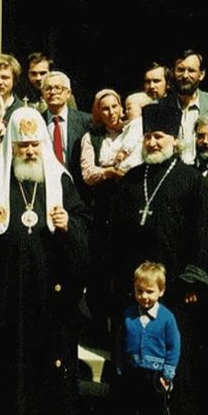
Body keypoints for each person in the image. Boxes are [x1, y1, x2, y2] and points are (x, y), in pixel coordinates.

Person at [0, 107, 91, 415]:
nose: (28, 151)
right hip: (7, 297)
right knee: (7, 366)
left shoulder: (61, 182)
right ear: (11, 146)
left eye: (33, 144)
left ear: (42, 144)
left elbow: (85, 230)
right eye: (22, 145)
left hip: (49, 297)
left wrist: (69, 225)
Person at [108, 101, 208, 415]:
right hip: (135, 293)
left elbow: (203, 237)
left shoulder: (191, 181)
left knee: (173, 369)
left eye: (159, 136)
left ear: (175, 139)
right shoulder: (131, 179)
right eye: (148, 137)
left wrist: (192, 283)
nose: (153, 143)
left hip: (173, 296)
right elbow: (114, 236)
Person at [78, 88, 142, 347]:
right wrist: (112, 172)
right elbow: (88, 173)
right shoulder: (91, 138)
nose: (112, 112)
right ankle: (99, 330)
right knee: (100, 272)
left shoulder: (134, 130)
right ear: (98, 113)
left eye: (115, 106)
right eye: (105, 108)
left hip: (129, 207)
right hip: (102, 209)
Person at [115, 262, 180, 415]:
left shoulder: (167, 318)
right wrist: (120, 366)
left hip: (155, 377)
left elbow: (174, 346)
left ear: (161, 291)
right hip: (132, 374)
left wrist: (167, 375)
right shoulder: (129, 315)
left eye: (150, 292)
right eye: (140, 291)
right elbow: (120, 342)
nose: (144, 296)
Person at [171, 50, 208, 165]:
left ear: (201, 74)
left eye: (191, 70)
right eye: (180, 70)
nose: (185, 75)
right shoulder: (163, 106)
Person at [41, 71, 92, 187]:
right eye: (48, 88)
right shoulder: (37, 121)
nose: (52, 92)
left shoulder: (86, 121)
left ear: (68, 93)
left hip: (79, 188)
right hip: (47, 187)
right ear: (42, 93)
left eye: (58, 88)